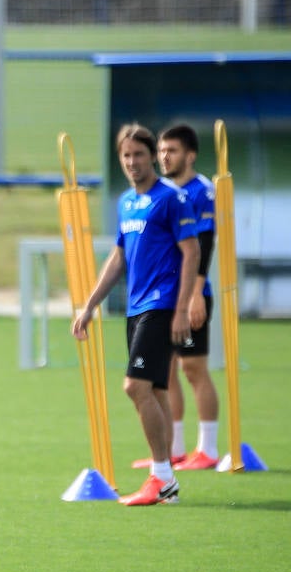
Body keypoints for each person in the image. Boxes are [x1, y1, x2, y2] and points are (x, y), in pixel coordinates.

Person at [72, 123, 201, 506]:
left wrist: (182, 309)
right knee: (157, 389)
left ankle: (160, 477)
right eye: (125, 156)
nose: (132, 162)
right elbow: (119, 257)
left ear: (152, 157)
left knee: (135, 387)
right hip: (136, 307)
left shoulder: (171, 199)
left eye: (139, 154)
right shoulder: (126, 203)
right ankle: (167, 481)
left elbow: (192, 251)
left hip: (162, 305)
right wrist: (90, 304)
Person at [155, 123, 220, 472]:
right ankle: (174, 449)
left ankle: (207, 449)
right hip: (164, 296)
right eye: (162, 150)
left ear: (190, 155)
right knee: (164, 372)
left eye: (173, 150)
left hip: (192, 293)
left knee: (193, 367)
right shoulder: (161, 191)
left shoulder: (202, 191)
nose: (165, 156)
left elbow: (204, 244)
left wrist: (196, 293)